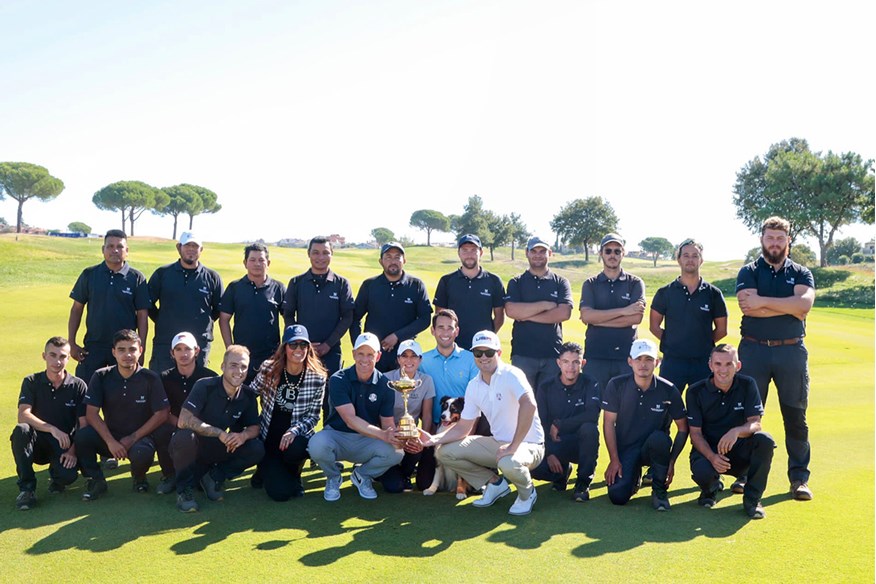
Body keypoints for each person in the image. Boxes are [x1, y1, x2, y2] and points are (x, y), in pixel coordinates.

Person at [419, 331, 545, 516]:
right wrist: (434, 440)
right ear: (473, 355)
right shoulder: (474, 385)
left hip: (529, 445)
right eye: (478, 353)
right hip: (498, 443)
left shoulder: (512, 374)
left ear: (499, 353)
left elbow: (529, 405)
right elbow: (463, 427)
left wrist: (514, 445)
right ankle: (495, 484)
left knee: (508, 461)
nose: (483, 357)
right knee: (445, 452)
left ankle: (527, 494)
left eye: (489, 352)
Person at [736, 216, 815, 501]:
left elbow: (804, 306)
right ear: (762, 240)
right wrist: (787, 307)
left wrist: (765, 302)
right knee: (748, 413)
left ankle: (799, 478)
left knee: (795, 415)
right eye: (770, 238)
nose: (775, 243)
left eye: (780, 239)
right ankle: (743, 475)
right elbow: (748, 307)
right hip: (754, 349)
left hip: (790, 351)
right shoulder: (749, 271)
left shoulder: (802, 272)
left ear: (788, 242)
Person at [74, 329, 170, 501]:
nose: (127, 355)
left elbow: (162, 413)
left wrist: (133, 438)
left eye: (132, 349)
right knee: (83, 436)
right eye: (122, 350)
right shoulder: (101, 376)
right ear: (114, 352)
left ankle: (139, 477)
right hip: (110, 436)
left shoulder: (150, 378)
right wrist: (111, 442)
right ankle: (96, 480)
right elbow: (91, 413)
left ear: (140, 350)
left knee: (142, 453)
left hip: (140, 437)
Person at [307, 333, 404, 501]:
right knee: (316, 444)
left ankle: (361, 475)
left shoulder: (386, 386)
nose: (364, 359)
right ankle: (333, 477)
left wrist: (396, 436)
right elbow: (349, 420)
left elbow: (387, 423)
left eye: (370, 354)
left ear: (378, 356)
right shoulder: (338, 379)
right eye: (360, 353)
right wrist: (383, 435)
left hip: (367, 440)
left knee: (397, 453)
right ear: (353, 354)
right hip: (337, 435)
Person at [170, 345, 265, 512]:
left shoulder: (248, 395)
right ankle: (184, 491)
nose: (239, 371)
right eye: (233, 365)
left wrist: (243, 436)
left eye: (243, 367)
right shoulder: (205, 386)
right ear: (223, 366)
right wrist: (219, 433)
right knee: (184, 436)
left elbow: (254, 427)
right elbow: (183, 420)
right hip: (194, 449)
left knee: (256, 448)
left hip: (219, 450)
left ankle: (213, 478)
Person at [687, 344, 775, 519]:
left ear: (738, 366)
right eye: (718, 364)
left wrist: (736, 431)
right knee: (703, 471)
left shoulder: (748, 384)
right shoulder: (695, 391)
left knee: (765, 440)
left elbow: (755, 424)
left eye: (729, 364)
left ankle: (752, 500)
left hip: (739, 450)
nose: (723, 370)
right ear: (710, 365)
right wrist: (712, 457)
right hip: (709, 452)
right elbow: (695, 434)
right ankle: (710, 489)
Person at [602, 339, 688, 511]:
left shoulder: (669, 390)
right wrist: (614, 459)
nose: (643, 364)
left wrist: (672, 461)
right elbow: (608, 422)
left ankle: (659, 490)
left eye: (649, 359)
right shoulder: (616, 385)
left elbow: (683, 428)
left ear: (657, 362)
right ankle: (633, 478)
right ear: (630, 361)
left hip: (654, 449)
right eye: (638, 359)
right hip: (626, 449)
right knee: (618, 497)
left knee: (660, 439)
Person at [250, 325, 327, 501]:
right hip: (269, 434)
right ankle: (264, 469)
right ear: (284, 347)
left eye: (303, 345)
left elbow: (314, 416)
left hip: (295, 437)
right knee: (279, 494)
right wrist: (249, 423)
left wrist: (294, 430)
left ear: (308, 349)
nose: (298, 350)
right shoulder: (269, 368)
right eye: (293, 345)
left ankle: (295, 474)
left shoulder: (318, 377)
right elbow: (250, 394)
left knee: (298, 448)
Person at [11, 337, 87, 510]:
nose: (57, 361)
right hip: (36, 440)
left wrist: (73, 451)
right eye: (52, 355)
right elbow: (23, 415)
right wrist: (51, 428)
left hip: (63, 443)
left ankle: (56, 476)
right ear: (44, 356)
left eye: (62, 356)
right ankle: (27, 488)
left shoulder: (78, 385)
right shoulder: (31, 381)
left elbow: (84, 423)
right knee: (21, 430)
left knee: (68, 477)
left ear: (69, 358)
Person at [283, 236, 354, 419]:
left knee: (330, 400)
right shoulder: (296, 283)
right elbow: (288, 314)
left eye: (325, 253)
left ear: (332, 254)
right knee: (298, 397)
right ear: (308, 254)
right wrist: (300, 343)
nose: (320, 257)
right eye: (315, 252)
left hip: (331, 351)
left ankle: (327, 441)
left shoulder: (342, 284)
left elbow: (347, 316)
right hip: (301, 352)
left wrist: (328, 344)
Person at [68, 229, 150, 384]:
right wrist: (71, 342)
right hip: (93, 346)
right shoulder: (89, 274)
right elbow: (76, 309)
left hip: (124, 349)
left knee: (121, 399)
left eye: (120, 246)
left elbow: (142, 316)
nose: (115, 250)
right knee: (86, 398)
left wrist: (141, 348)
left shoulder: (136, 278)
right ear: (103, 249)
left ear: (127, 251)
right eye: (110, 246)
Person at [649, 238, 728, 393]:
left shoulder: (713, 294)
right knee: (664, 411)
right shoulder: (665, 293)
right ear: (678, 259)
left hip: (703, 363)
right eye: (686, 255)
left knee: (703, 412)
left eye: (695, 255)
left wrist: (702, 342)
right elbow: (654, 326)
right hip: (672, 363)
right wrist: (673, 342)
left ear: (701, 260)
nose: (690, 259)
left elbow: (722, 330)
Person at [531, 342, 601, 503]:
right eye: (566, 362)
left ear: (583, 363)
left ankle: (583, 484)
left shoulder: (591, 383)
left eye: (576, 362)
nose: (571, 367)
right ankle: (561, 473)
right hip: (556, 443)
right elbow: (539, 422)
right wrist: (548, 453)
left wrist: (560, 424)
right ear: (558, 363)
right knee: (534, 467)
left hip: (580, 444)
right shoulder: (546, 386)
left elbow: (592, 414)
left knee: (590, 429)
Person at [504, 236, 573, 391]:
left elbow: (564, 313)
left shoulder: (560, 282)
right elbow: (511, 310)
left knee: (549, 405)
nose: (538, 255)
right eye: (533, 251)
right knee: (523, 403)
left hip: (552, 354)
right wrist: (546, 305)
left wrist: (526, 315)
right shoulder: (517, 282)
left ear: (550, 253)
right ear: (527, 253)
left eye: (542, 251)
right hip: (522, 354)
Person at [147, 231, 223, 372]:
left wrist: (202, 322)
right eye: (187, 245)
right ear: (179, 247)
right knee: (160, 385)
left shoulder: (212, 277)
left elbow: (219, 309)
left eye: (195, 246)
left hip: (199, 342)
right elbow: (148, 303)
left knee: (197, 388)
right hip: (166, 341)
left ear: (201, 249)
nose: (191, 249)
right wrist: (161, 319)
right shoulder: (162, 273)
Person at [153, 331, 218, 495]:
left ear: (196, 351)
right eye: (179, 349)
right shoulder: (163, 378)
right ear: (172, 353)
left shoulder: (210, 377)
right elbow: (162, 410)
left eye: (187, 349)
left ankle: (206, 474)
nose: (183, 354)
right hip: (174, 427)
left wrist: (196, 427)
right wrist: (182, 425)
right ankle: (170, 475)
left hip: (202, 429)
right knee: (161, 432)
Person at [351, 242, 432, 372]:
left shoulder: (416, 285)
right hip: (374, 355)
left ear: (404, 260)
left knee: (403, 391)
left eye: (397, 257)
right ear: (381, 261)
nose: (393, 261)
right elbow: (354, 318)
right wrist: (360, 346)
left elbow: (425, 319)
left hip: (405, 354)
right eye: (388, 257)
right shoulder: (370, 285)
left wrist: (397, 336)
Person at [579, 233, 645, 391]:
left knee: (625, 409)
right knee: (592, 407)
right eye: (608, 251)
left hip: (626, 357)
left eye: (617, 251)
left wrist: (598, 319)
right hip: (595, 356)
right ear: (601, 253)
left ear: (623, 253)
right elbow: (586, 315)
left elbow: (635, 318)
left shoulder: (635, 283)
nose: (612, 255)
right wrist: (624, 311)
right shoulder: (590, 284)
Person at [219, 243, 286, 382]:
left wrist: (283, 348)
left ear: (268, 263)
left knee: (270, 401)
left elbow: (288, 318)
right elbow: (224, 319)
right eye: (252, 260)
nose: (257, 264)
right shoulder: (235, 287)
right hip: (242, 357)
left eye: (261, 260)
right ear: (245, 263)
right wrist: (230, 348)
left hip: (271, 357)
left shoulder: (278, 288)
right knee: (240, 399)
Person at [378, 339, 435, 493]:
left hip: (411, 435)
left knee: (416, 447)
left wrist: (422, 439)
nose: (408, 360)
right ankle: (386, 471)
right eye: (404, 356)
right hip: (388, 436)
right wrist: (394, 435)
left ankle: (405, 474)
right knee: (393, 487)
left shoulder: (426, 381)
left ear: (420, 359)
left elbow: (427, 415)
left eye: (413, 356)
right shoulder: (386, 379)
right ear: (398, 359)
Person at [433, 234, 505, 350]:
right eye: (465, 250)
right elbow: (439, 315)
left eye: (473, 250)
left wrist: (486, 337)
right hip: (454, 347)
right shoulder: (447, 281)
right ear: (459, 253)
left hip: (483, 348)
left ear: (480, 252)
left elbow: (500, 316)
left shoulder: (494, 281)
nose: (469, 254)